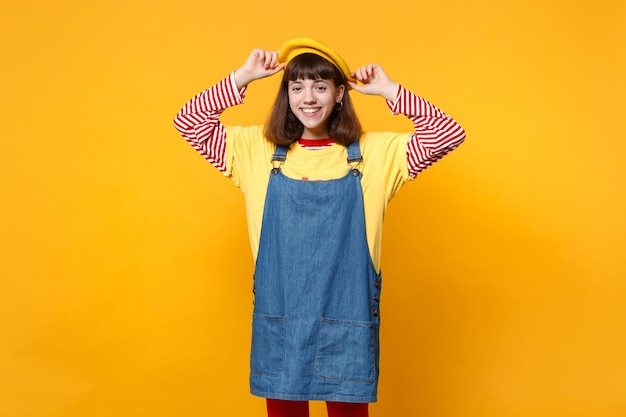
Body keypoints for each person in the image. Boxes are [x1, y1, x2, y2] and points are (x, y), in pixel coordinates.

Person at [173, 37, 466, 417]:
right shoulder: (255, 151)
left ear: (340, 93)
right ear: (287, 94)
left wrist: (388, 90)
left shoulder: (376, 155)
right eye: (297, 87)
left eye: (320, 87)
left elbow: (449, 133)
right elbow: (188, 122)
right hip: (282, 322)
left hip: (348, 321)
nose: (308, 98)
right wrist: (243, 77)